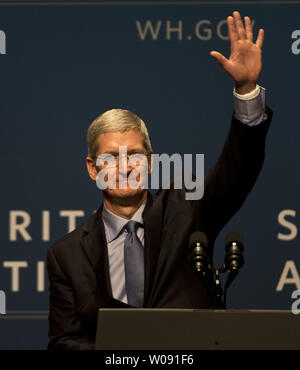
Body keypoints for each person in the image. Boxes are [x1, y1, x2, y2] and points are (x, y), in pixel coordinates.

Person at [47, 11, 272, 350]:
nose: (123, 167)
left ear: (150, 163)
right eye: (111, 158)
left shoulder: (187, 208)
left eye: (134, 156)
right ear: (93, 168)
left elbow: (238, 171)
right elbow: (65, 341)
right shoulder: (66, 255)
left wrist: (246, 89)